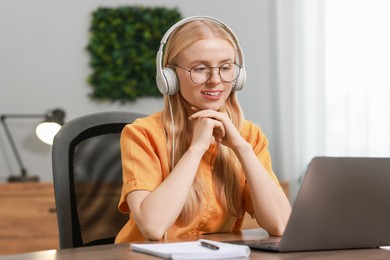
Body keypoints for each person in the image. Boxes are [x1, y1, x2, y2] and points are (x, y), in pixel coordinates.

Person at [115, 16, 291, 243]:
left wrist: (241, 148)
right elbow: (153, 227)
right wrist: (196, 149)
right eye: (200, 68)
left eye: (226, 68)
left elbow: (282, 224)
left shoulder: (249, 136)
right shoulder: (142, 135)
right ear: (170, 77)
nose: (215, 80)